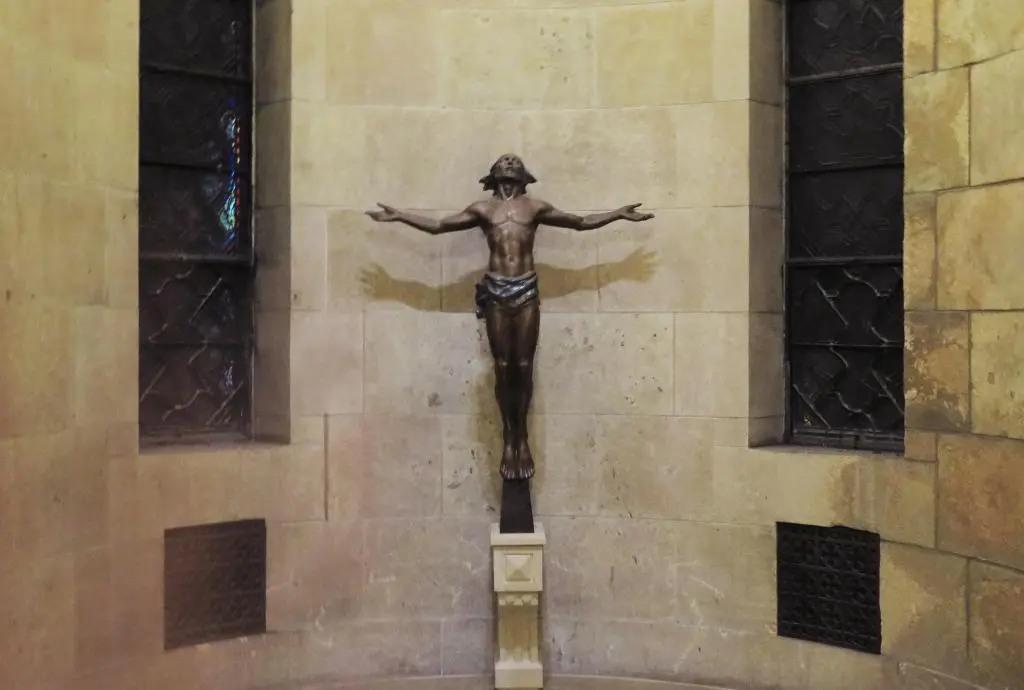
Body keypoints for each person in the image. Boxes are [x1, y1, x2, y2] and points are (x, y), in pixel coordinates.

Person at [367, 154, 654, 481]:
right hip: (496, 290)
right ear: (493, 173)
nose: (507, 161)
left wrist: (617, 214)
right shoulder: (483, 209)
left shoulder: (535, 208)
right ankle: (508, 435)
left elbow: (580, 222)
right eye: (503, 160)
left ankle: (523, 436)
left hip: (526, 289)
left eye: (513, 160)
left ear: (523, 174)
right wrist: (400, 216)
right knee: (503, 366)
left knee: (524, 365)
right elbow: (439, 226)